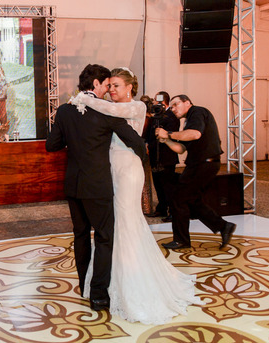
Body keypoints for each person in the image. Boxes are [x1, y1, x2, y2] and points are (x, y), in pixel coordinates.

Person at [70, 68, 202, 325]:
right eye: (110, 86)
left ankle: (129, 280)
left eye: (117, 86)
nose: (112, 91)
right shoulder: (107, 105)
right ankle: (107, 280)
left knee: (125, 221)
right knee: (112, 224)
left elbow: (110, 112)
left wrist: (84, 98)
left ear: (130, 87)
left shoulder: (135, 108)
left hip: (128, 171)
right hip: (110, 169)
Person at [46, 64, 146, 312]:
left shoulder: (64, 111)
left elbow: (52, 145)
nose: (108, 90)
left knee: (80, 235)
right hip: (98, 186)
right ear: (97, 85)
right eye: (106, 85)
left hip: (73, 185)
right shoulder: (106, 112)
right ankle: (99, 294)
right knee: (104, 237)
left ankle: (83, 284)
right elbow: (135, 141)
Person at [156, 95, 236, 250]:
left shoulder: (197, 112)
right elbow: (182, 149)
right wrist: (166, 140)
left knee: (178, 199)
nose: (173, 109)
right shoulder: (189, 121)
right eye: (171, 107)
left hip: (203, 164)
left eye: (176, 104)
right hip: (199, 165)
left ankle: (182, 240)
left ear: (188, 103)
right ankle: (223, 226)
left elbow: (195, 134)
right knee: (192, 200)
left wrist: (168, 134)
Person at [147, 91, 180, 222]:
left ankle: (173, 211)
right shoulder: (155, 116)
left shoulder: (172, 116)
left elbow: (172, 133)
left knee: (168, 185)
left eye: (157, 101)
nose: (155, 103)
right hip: (155, 156)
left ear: (164, 102)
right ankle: (161, 208)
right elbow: (150, 134)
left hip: (167, 156)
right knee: (158, 184)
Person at [139, 94, 154, 215]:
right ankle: (147, 208)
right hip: (145, 148)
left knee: (142, 179)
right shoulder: (152, 118)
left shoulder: (142, 118)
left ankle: (145, 207)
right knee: (145, 179)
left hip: (140, 148)